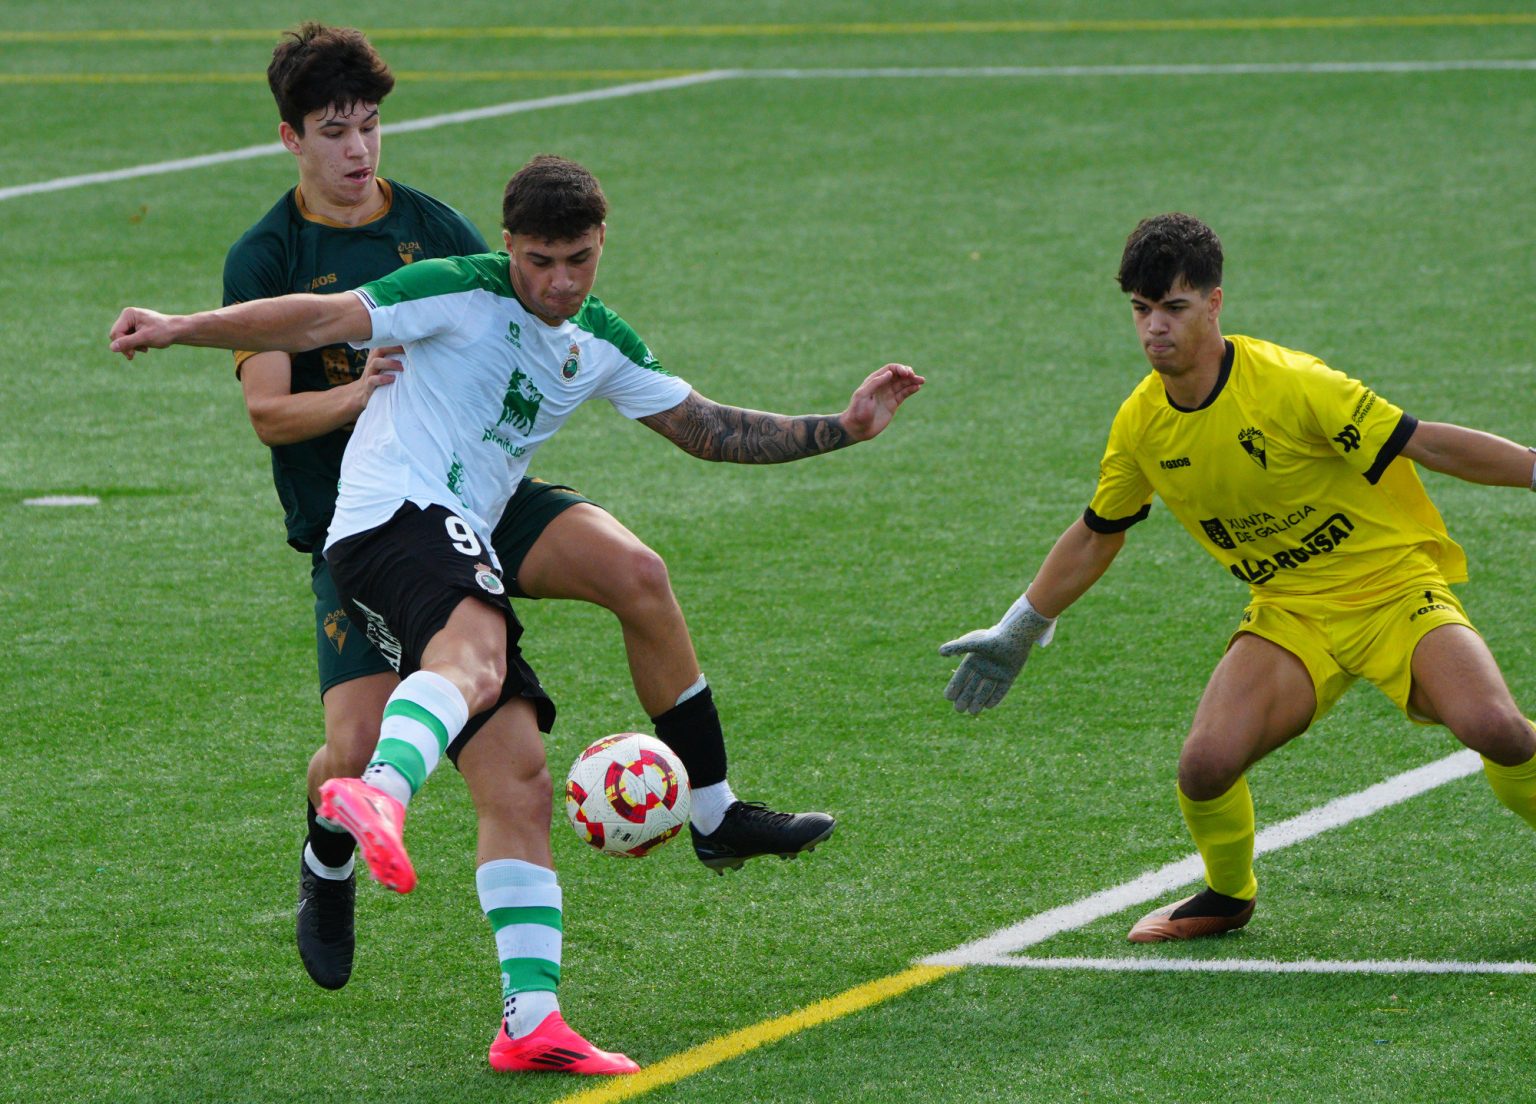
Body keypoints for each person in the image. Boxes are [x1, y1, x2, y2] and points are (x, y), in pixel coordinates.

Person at [111, 153, 923, 1073]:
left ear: (602, 243)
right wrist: (181, 328)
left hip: (468, 529)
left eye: (577, 258)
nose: (559, 281)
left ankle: (531, 1019)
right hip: (392, 518)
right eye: (540, 260)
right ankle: (372, 797)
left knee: (521, 776)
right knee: (469, 666)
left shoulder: (599, 340)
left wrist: (842, 428)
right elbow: (314, 316)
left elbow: (706, 428)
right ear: (508, 247)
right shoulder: (457, 289)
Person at [228, 24, 841, 1000]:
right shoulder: (268, 254)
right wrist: (363, 392)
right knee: (353, 744)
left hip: (486, 497)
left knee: (637, 572)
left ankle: (716, 813)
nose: (357, 150)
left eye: (370, 127)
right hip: (370, 518)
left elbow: (518, 336)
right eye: (334, 131)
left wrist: (837, 426)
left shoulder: (438, 228)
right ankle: (331, 849)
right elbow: (268, 412)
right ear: (290, 138)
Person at [939, 212, 1536, 943]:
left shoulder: (1292, 385)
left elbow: (1426, 442)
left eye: (1174, 308)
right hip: (1291, 612)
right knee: (1205, 765)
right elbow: (1099, 535)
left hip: (1391, 590)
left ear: (1214, 304)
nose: (1155, 328)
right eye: (1141, 310)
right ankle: (1229, 895)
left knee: (1497, 729)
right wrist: (1021, 626)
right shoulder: (1142, 424)